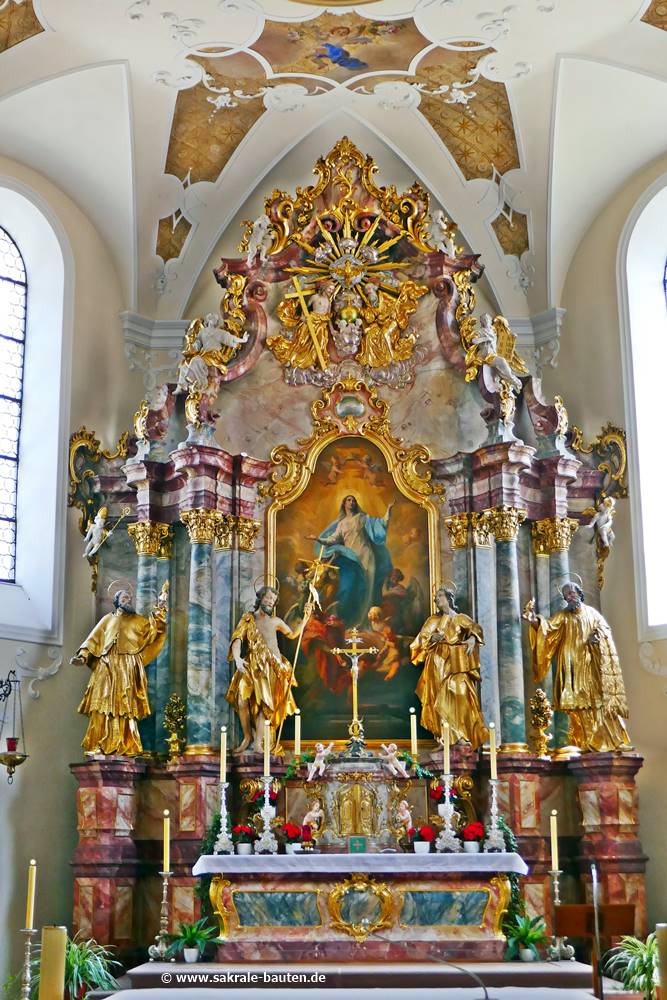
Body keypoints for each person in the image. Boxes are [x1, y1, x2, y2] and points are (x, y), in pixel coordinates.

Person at [523, 582, 630, 752]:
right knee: (579, 706)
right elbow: (548, 629)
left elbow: (605, 631)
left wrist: (597, 637)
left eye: (572, 592)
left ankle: (610, 740)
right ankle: (584, 742)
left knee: (600, 701)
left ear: (580, 593)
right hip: (571, 665)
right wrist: (534, 621)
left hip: (591, 663)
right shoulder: (563, 616)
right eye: (566, 594)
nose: (570, 596)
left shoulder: (593, 614)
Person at [70, 583, 169, 756]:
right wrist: (82, 657)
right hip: (106, 664)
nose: (127, 600)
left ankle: (126, 744)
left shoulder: (138, 621)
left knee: (125, 705)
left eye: (129, 598)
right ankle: (98, 743)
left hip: (127, 666)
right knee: (101, 703)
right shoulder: (107, 620)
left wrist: (160, 608)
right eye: (124, 598)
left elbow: (155, 630)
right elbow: (92, 641)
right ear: (116, 601)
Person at [227, 586, 312, 754]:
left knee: (264, 705)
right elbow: (237, 639)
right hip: (251, 664)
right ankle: (247, 737)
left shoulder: (276, 621)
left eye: (273, 600)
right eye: (268, 598)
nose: (271, 602)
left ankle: (258, 743)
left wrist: (306, 618)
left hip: (271, 666)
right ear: (260, 598)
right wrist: (237, 658)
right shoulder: (248, 619)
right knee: (242, 701)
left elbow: (292, 634)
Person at [410, 586, 488, 749]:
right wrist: (432, 638)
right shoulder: (432, 621)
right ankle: (445, 738)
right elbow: (421, 640)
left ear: (449, 599)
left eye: (440, 595)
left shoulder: (460, 618)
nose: (436, 599)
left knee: (461, 694)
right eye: (436, 597)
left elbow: (476, 628)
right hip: (437, 661)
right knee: (438, 698)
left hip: (457, 661)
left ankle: (461, 734)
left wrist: (472, 639)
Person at [308, 494, 393, 625]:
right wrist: (318, 539)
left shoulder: (362, 518)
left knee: (367, 588)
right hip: (350, 558)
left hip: (366, 556)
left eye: (354, 500)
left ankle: (364, 621)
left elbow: (380, 525)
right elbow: (332, 539)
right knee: (353, 587)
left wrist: (388, 511)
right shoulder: (341, 524)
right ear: (344, 504)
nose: (352, 502)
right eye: (349, 500)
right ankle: (352, 618)